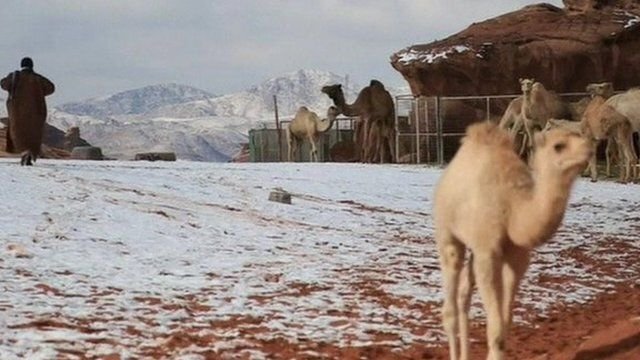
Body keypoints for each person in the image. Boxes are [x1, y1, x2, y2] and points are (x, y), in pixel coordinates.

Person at [1, 57, 55, 165]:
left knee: (19, 135)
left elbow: (3, 84)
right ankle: (30, 154)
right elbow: (51, 88)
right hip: (36, 113)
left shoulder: (15, 77)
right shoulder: (38, 79)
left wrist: (11, 77)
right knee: (33, 135)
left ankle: (24, 153)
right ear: (32, 66)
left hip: (18, 113)